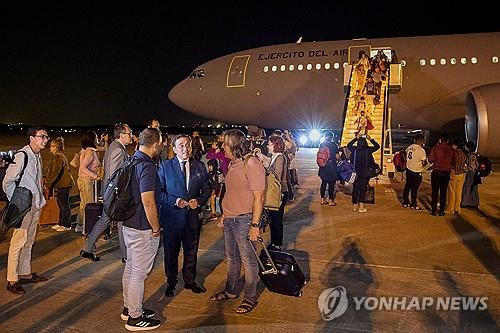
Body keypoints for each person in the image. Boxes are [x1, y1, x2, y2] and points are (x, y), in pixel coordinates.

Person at [209, 129, 264, 314]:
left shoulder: (251, 163)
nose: (222, 147)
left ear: (234, 145)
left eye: (225, 143)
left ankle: (249, 297)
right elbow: (232, 192)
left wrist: (255, 226)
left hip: (245, 220)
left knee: (248, 260)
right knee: (232, 258)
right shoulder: (234, 163)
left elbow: (259, 198)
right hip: (230, 219)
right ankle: (231, 291)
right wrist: (224, 214)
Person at [158, 134, 211, 297]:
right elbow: (159, 192)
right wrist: (175, 201)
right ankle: (171, 281)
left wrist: (200, 200)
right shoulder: (165, 166)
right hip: (172, 219)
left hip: (192, 218)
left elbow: (207, 190)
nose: (185, 148)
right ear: (173, 149)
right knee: (171, 253)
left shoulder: (200, 166)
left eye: (187, 145)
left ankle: (190, 280)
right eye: (180, 145)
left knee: (191, 251)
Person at [121, 127, 163, 331]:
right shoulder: (147, 165)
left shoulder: (132, 159)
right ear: (155, 144)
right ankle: (135, 318)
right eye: (161, 143)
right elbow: (148, 201)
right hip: (142, 226)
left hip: (129, 223)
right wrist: (156, 227)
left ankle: (129, 308)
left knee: (130, 267)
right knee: (139, 272)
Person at [3, 127, 49, 294]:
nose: (45, 140)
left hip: (36, 205)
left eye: (46, 137)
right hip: (24, 207)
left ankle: (25, 273)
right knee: (18, 242)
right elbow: (8, 181)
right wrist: (15, 202)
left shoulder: (37, 156)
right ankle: (12, 279)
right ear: (32, 138)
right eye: (42, 136)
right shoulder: (22, 155)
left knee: (29, 241)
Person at [80, 123, 133, 262]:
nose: (131, 135)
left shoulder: (116, 147)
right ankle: (126, 256)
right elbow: (114, 176)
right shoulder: (117, 149)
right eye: (129, 133)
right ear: (121, 135)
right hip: (114, 194)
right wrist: (112, 196)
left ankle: (87, 248)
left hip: (111, 193)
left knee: (105, 220)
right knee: (121, 221)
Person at [45, 137, 75, 231]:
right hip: (63, 184)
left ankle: (66, 225)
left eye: (51, 146)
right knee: (61, 204)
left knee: (63, 205)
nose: (50, 148)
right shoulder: (59, 155)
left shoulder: (58, 156)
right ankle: (61, 223)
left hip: (64, 184)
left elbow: (55, 172)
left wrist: (48, 184)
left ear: (55, 147)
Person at [265, 136, 289, 251]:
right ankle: (274, 243)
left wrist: (266, 171)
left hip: (280, 193)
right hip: (275, 192)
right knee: (273, 219)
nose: (268, 146)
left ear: (275, 145)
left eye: (269, 144)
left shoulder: (280, 158)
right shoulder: (274, 157)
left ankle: (277, 244)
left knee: (277, 220)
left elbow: (277, 175)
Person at [75, 131, 101, 234]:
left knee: (83, 203)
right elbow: (82, 168)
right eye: (96, 137)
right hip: (86, 181)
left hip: (83, 180)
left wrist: (106, 141)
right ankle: (86, 227)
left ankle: (80, 224)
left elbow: (102, 148)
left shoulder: (85, 150)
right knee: (88, 205)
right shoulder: (90, 153)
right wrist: (96, 176)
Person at [347, 135, 380, 213]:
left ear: (358, 143)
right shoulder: (368, 150)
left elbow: (349, 145)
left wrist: (356, 138)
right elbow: (377, 146)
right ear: (365, 143)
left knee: (355, 189)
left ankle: (355, 206)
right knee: (363, 189)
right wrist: (370, 139)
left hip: (355, 173)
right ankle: (361, 207)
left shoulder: (354, 150)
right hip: (365, 173)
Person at [428, 135, 455, 216]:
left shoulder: (435, 148)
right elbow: (454, 162)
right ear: (447, 141)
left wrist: (436, 161)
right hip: (446, 172)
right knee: (443, 192)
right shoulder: (451, 150)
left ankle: (433, 210)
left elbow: (430, 159)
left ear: (440, 141)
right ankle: (441, 210)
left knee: (435, 192)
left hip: (436, 172)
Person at [402, 134, 427, 210]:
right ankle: (414, 204)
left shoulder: (409, 147)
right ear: (421, 141)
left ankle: (406, 202)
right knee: (414, 188)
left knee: (407, 186)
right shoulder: (421, 150)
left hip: (409, 169)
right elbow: (423, 163)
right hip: (416, 171)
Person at [318, 131, 339, 206]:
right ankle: (330, 201)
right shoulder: (334, 145)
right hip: (331, 167)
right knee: (331, 184)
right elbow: (337, 157)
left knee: (323, 183)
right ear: (331, 137)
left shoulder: (321, 144)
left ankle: (322, 200)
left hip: (323, 166)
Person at [446, 139, 467, 214]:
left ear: (455, 145)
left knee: (452, 191)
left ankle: (450, 208)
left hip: (454, 173)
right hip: (461, 174)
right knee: (459, 192)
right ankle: (457, 208)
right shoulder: (463, 154)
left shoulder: (454, 153)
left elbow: (451, 163)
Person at [461, 141, 480, 209]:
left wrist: (464, 168)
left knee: (468, 188)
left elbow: (471, 167)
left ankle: (469, 203)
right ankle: (472, 203)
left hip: (471, 173)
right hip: (474, 173)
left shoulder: (471, 155)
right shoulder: (474, 154)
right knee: (472, 188)